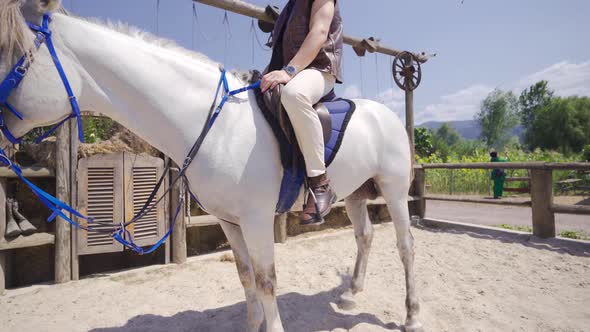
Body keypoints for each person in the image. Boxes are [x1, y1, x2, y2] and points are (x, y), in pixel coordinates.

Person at [261, 0, 343, 225]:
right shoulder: (289, 8)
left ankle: (320, 183)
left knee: (294, 95)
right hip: (295, 70)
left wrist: (288, 71)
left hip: (319, 69)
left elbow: (320, 31)